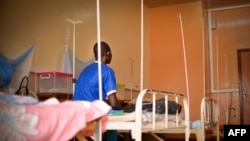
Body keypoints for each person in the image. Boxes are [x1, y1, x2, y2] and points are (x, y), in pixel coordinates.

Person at [73, 41, 121, 141]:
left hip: (76, 110)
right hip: (90, 111)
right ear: (108, 54)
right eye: (111, 54)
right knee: (116, 115)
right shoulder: (107, 71)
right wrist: (125, 111)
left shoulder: (86, 69)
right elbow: (113, 103)